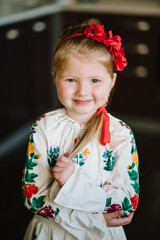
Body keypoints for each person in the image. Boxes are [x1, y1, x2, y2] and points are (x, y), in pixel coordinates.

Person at [22, 23, 139, 240]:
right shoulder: (44, 127)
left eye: (95, 80)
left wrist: (74, 181)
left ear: (112, 81)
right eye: (71, 80)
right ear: (55, 77)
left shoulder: (121, 134)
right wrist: (94, 220)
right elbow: (34, 198)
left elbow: (126, 203)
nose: (82, 91)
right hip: (52, 233)